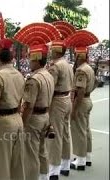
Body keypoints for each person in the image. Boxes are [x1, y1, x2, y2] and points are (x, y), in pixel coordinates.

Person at [0, 37, 25, 180]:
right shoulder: (20, 75)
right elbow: (20, 101)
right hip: (17, 119)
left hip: (4, 123)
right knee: (17, 165)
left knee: (0, 165)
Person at [65, 30, 99, 171]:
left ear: (79, 55)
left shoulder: (81, 70)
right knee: (86, 129)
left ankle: (80, 160)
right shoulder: (89, 68)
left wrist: (74, 109)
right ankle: (87, 157)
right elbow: (96, 83)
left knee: (78, 130)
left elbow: (79, 91)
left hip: (81, 101)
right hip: (88, 99)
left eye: (76, 55)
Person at [21, 44, 54, 180]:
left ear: (36, 59)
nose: (29, 61)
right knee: (42, 150)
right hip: (46, 115)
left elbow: (28, 105)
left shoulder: (34, 79)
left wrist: (22, 123)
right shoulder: (49, 75)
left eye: (30, 59)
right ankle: (44, 176)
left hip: (34, 118)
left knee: (31, 153)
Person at [47, 40, 74, 179]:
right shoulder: (67, 64)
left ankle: (54, 170)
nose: (50, 51)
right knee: (65, 134)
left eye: (52, 49)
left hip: (57, 101)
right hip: (67, 99)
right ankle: (65, 165)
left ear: (57, 51)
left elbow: (49, 88)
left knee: (54, 135)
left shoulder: (55, 66)